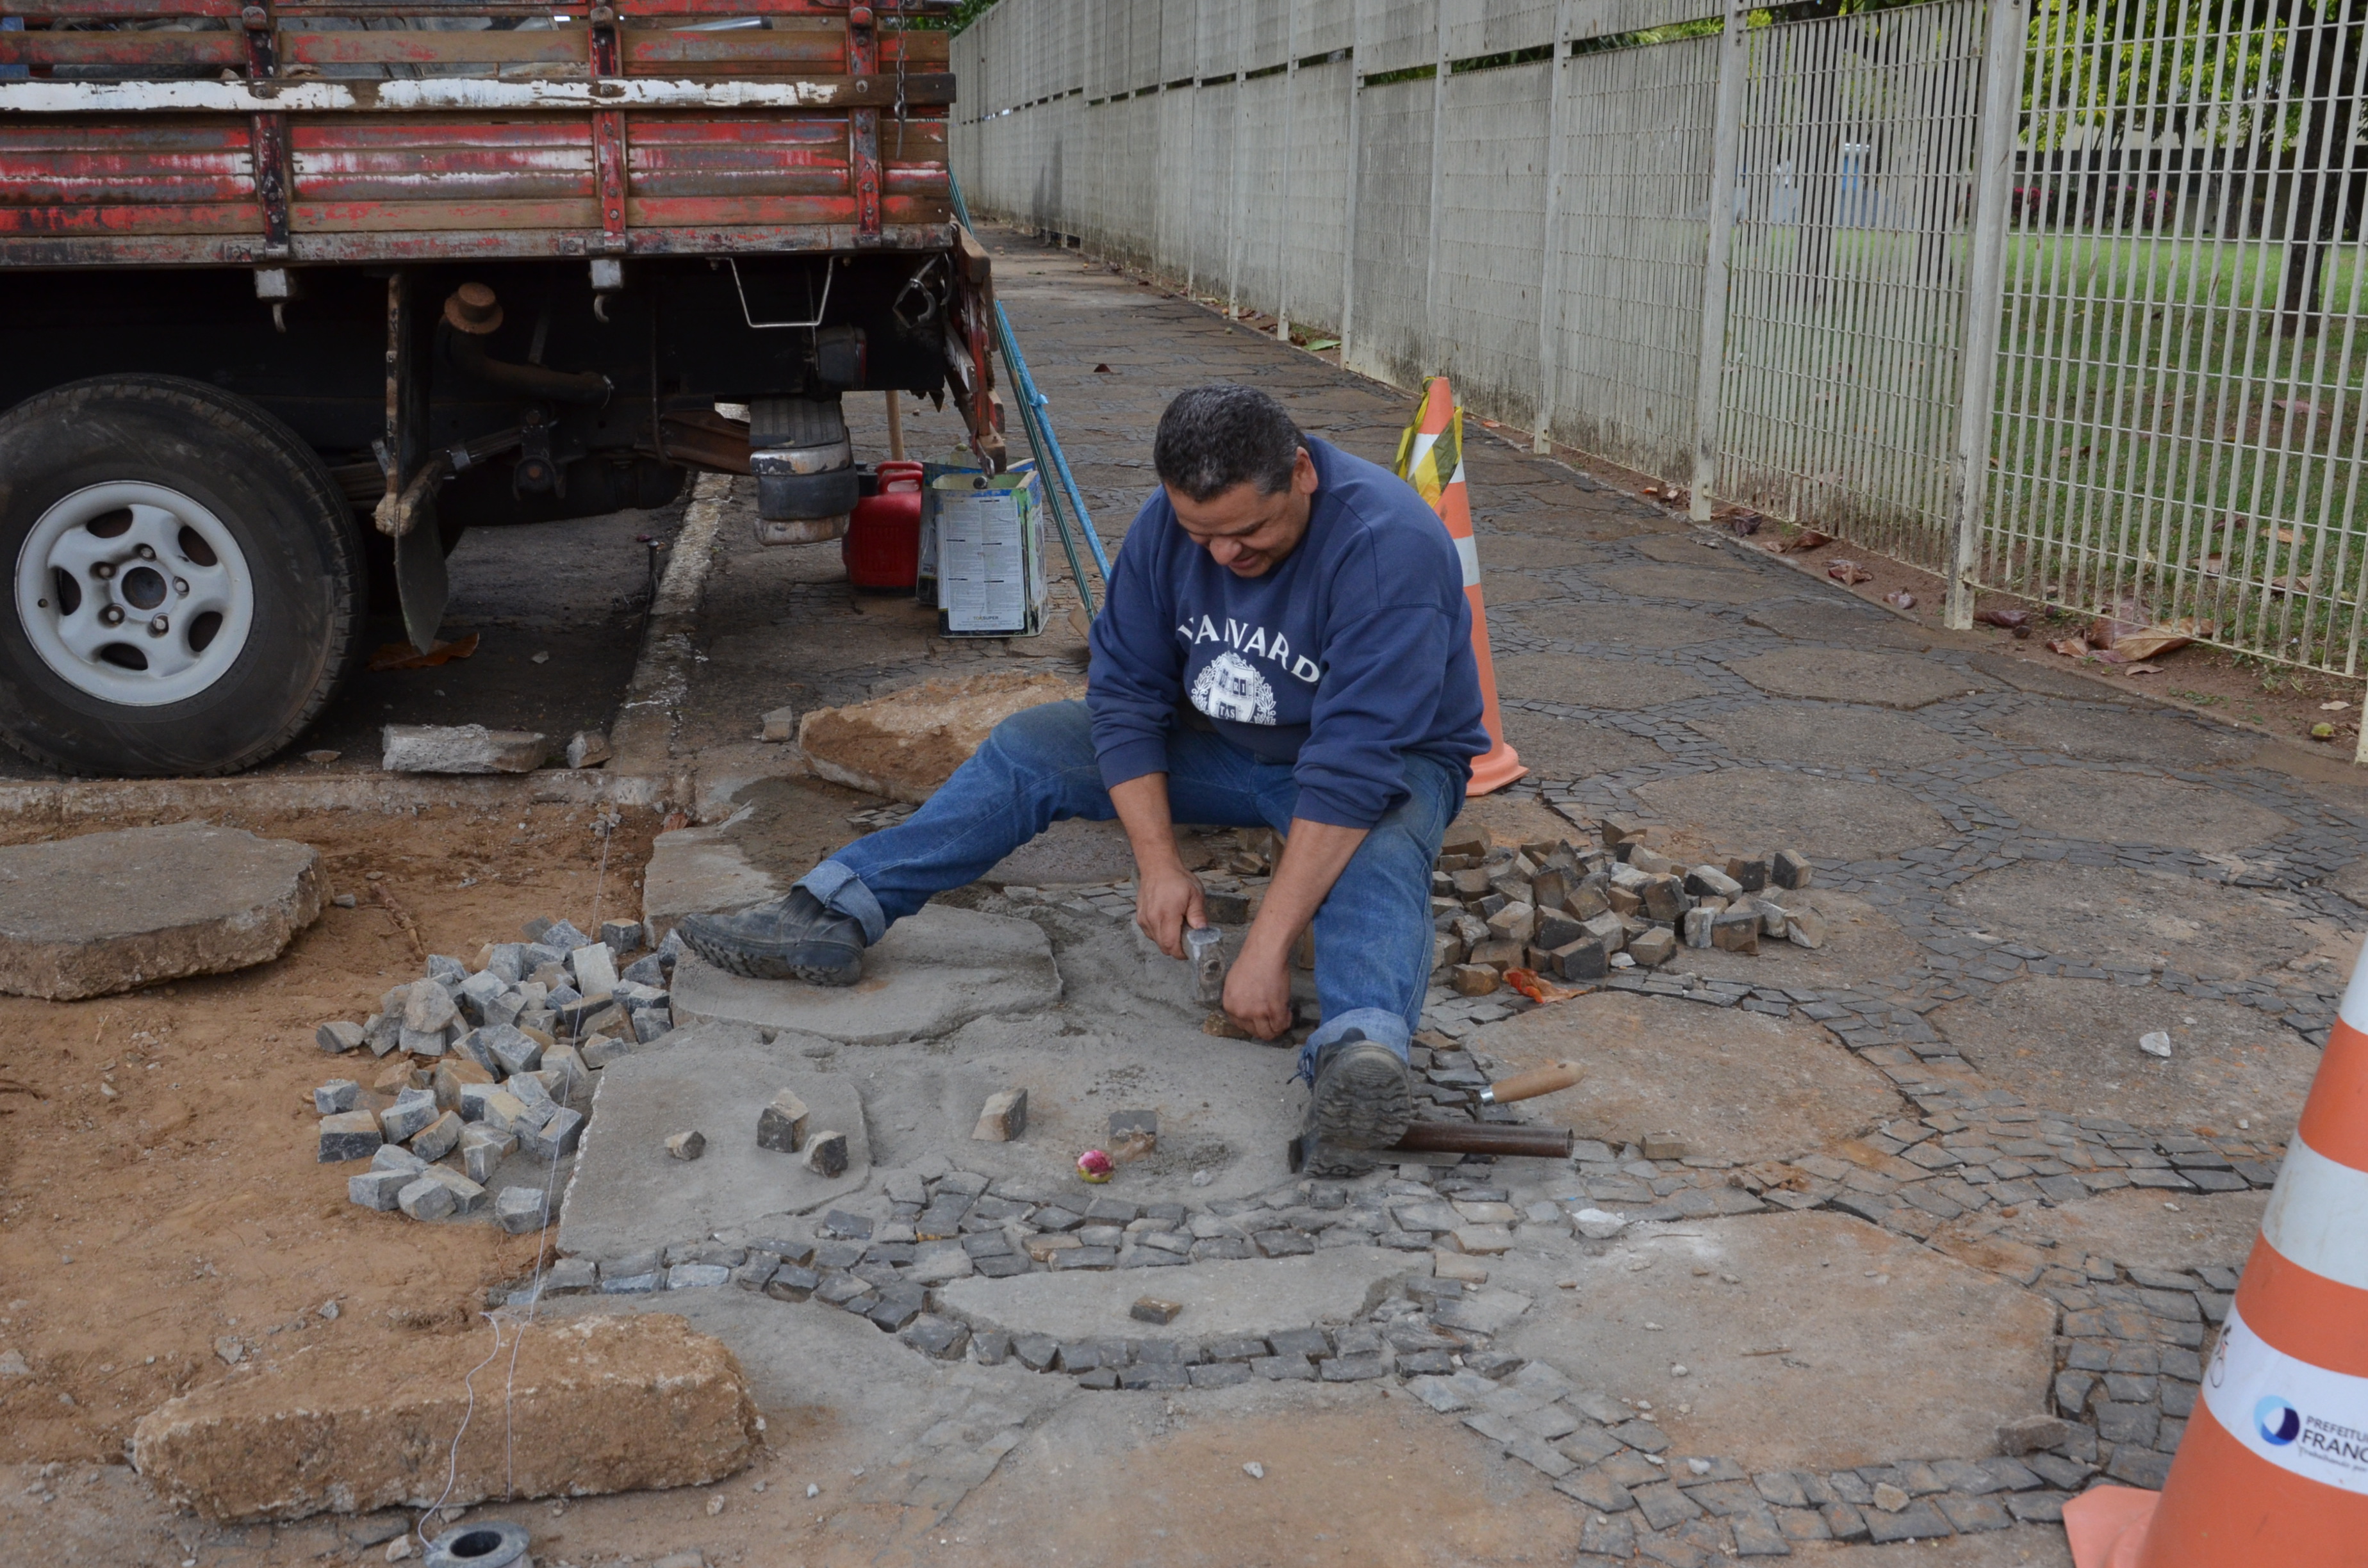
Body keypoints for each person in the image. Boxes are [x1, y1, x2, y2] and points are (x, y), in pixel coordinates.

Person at [681, 384, 1488, 1151]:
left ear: (1302, 473)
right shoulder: (1167, 529)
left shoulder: (1388, 547)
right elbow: (1128, 697)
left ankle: (1358, 1059)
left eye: (1249, 532)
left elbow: (1350, 771)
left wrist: (1264, 949)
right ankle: (832, 912)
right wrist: (1158, 865)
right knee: (1035, 745)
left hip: (1382, 763)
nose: (1225, 553)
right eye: (1203, 535)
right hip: (1223, 746)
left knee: (1380, 849)